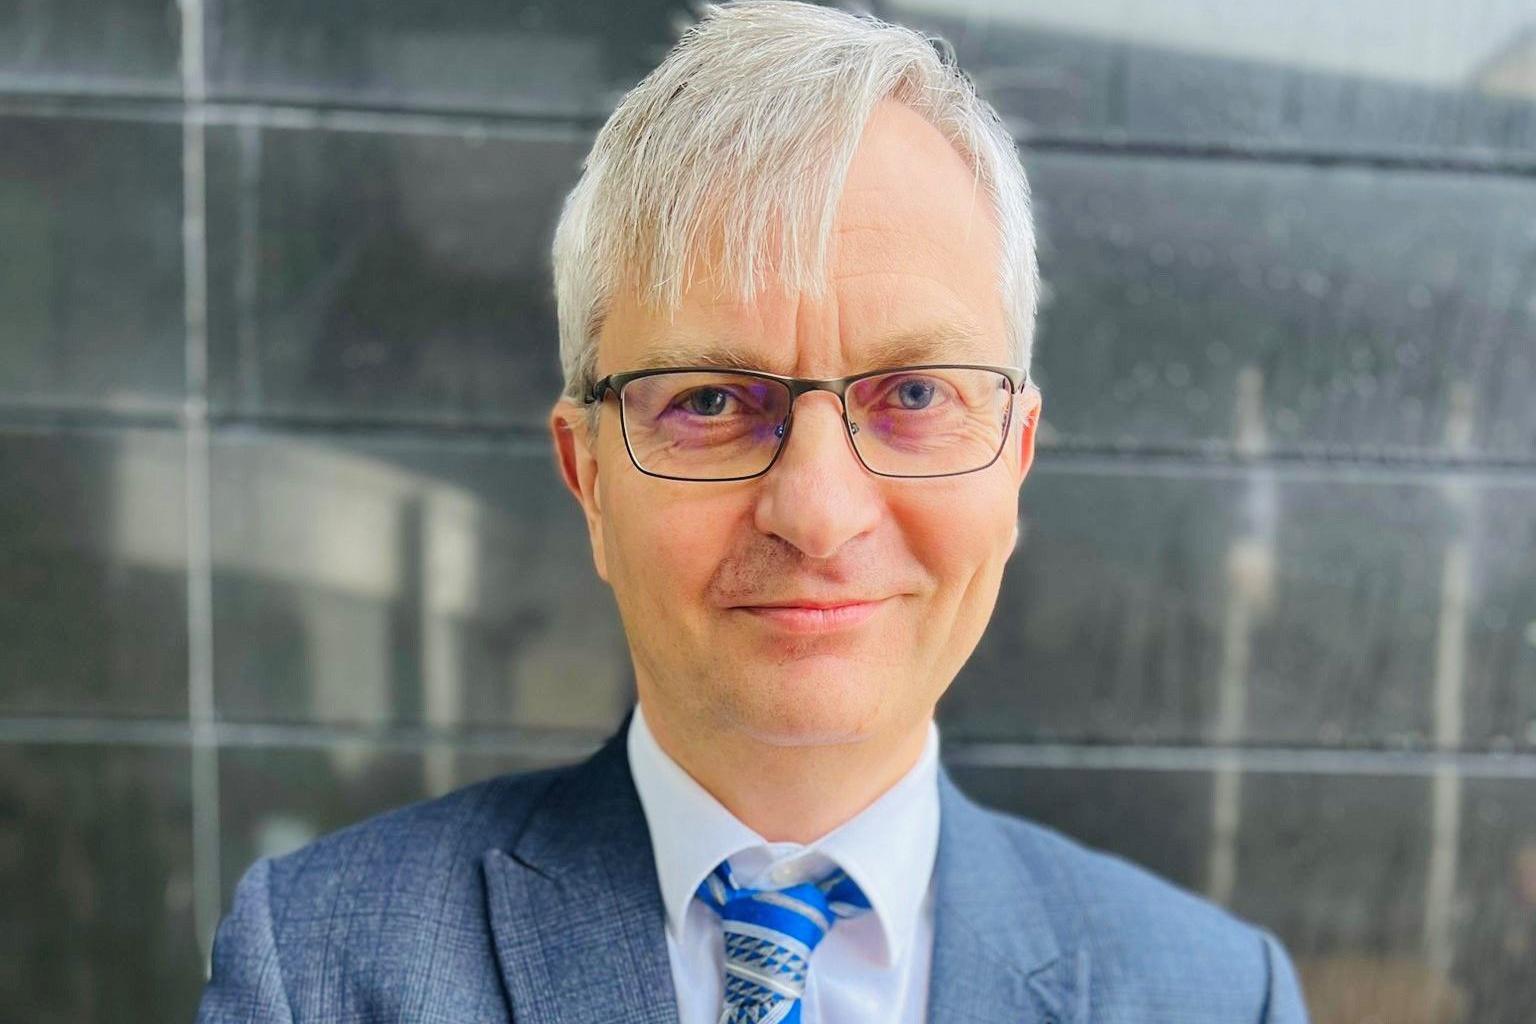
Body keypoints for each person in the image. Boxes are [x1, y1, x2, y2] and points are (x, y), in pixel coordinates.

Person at [195, 2, 1310, 1021]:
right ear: (588, 478)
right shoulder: (322, 970)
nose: (818, 512)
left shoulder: (1215, 995)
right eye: (713, 401)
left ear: (1014, 460)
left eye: (915, 393)